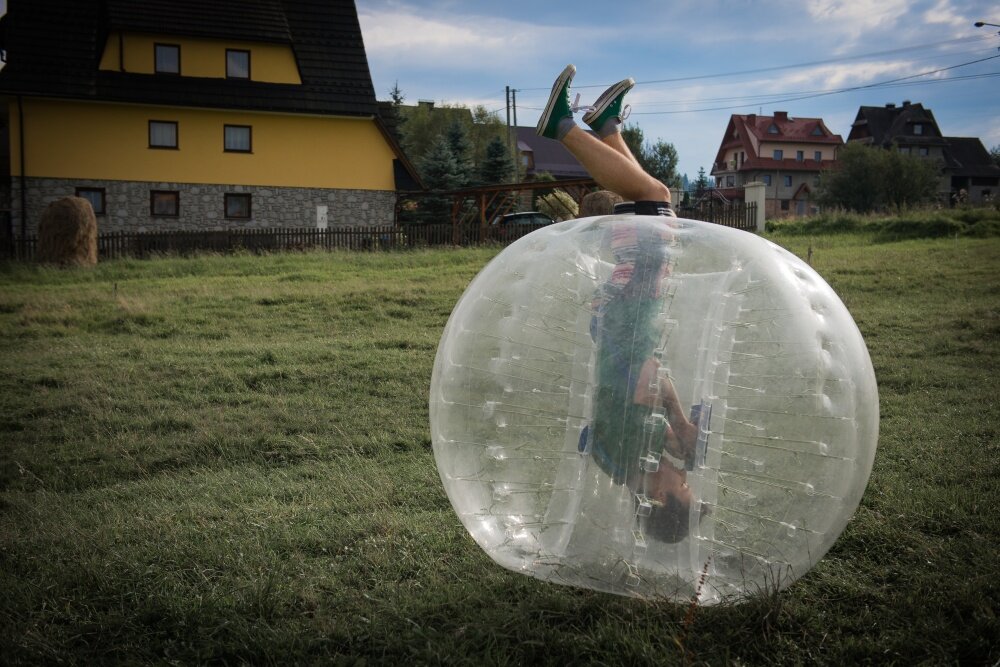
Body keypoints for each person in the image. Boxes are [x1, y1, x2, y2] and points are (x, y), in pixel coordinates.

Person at [541, 65, 700, 543]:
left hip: (631, 316)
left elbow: (649, 376)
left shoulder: (634, 453)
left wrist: (681, 424)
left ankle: (562, 127)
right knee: (658, 201)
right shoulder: (623, 465)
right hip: (624, 320)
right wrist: (677, 431)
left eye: (684, 489)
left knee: (654, 199)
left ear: (660, 499)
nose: (685, 479)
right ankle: (607, 126)